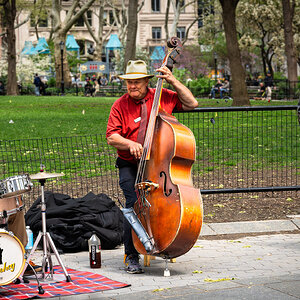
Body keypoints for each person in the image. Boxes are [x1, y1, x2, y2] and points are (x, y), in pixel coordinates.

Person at [106, 60, 198, 274]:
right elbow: (112, 136)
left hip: (160, 166)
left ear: (147, 81)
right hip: (130, 164)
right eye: (129, 83)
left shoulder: (163, 96)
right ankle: (131, 255)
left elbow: (192, 103)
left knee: (164, 204)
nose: (132, 87)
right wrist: (130, 143)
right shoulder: (120, 105)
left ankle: (164, 240)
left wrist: (172, 80)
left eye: (137, 82)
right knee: (134, 205)